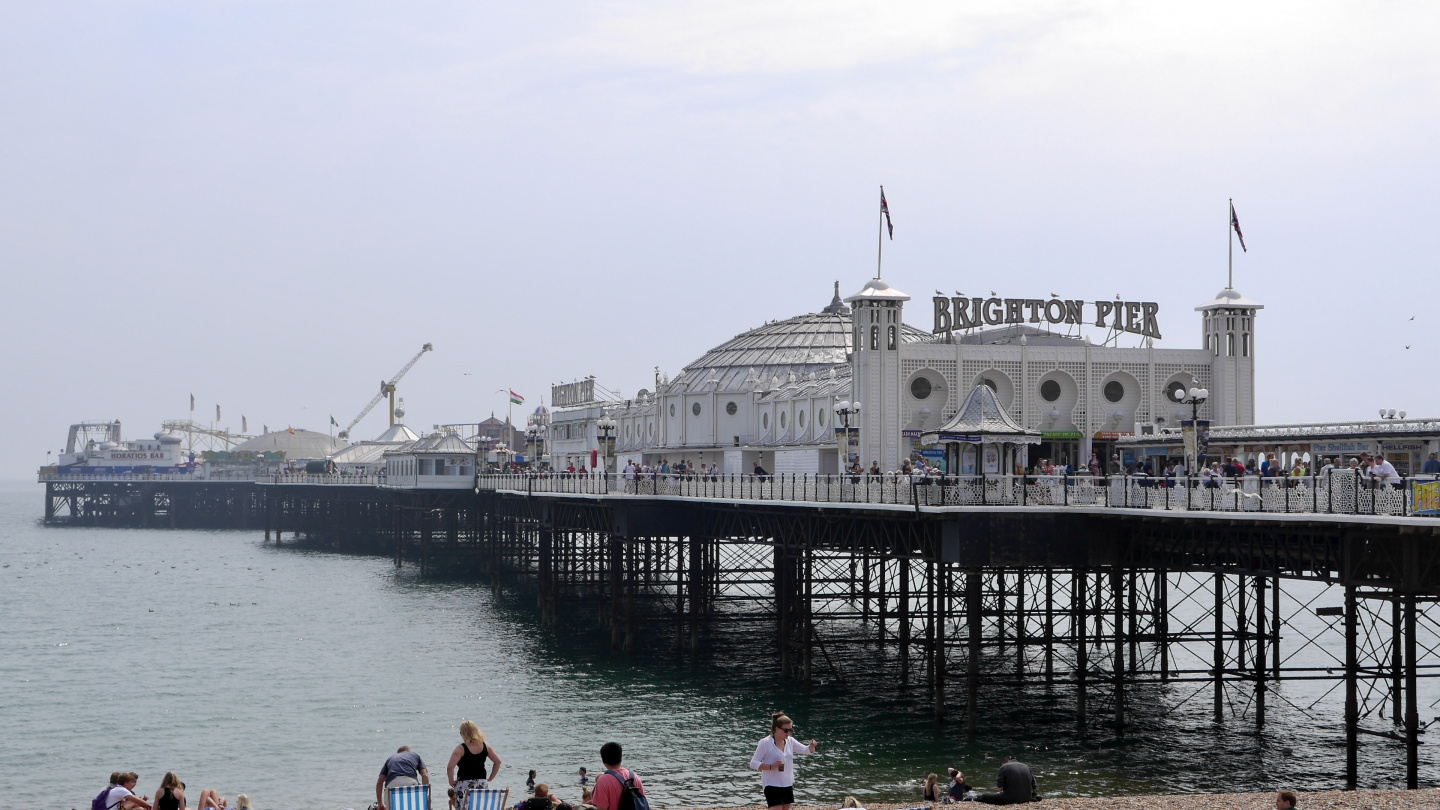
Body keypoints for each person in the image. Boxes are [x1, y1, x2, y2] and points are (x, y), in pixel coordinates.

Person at [749, 711, 817, 810]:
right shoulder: (765, 743)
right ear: (776, 729)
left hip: (787, 783)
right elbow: (753, 763)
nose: (788, 733)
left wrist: (811, 746)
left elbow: (806, 750)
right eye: (786, 730)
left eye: (790, 730)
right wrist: (771, 766)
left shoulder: (790, 741)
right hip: (771, 784)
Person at [448, 719, 502, 808]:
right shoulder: (485, 746)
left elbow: (450, 767)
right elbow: (498, 762)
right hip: (482, 785)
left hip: (464, 787)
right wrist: (491, 778)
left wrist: (451, 781)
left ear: (464, 733)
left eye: (461, 733)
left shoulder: (461, 749)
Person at [592, 741, 646, 810]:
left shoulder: (603, 780)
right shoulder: (634, 776)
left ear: (603, 761)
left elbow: (602, 808)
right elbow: (642, 801)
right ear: (621, 758)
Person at [376, 745, 430, 810]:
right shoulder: (415, 755)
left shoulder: (390, 759)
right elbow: (425, 776)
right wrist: (425, 796)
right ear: (408, 752)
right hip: (411, 784)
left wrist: (380, 804)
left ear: (398, 753)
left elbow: (379, 782)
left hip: (392, 787)